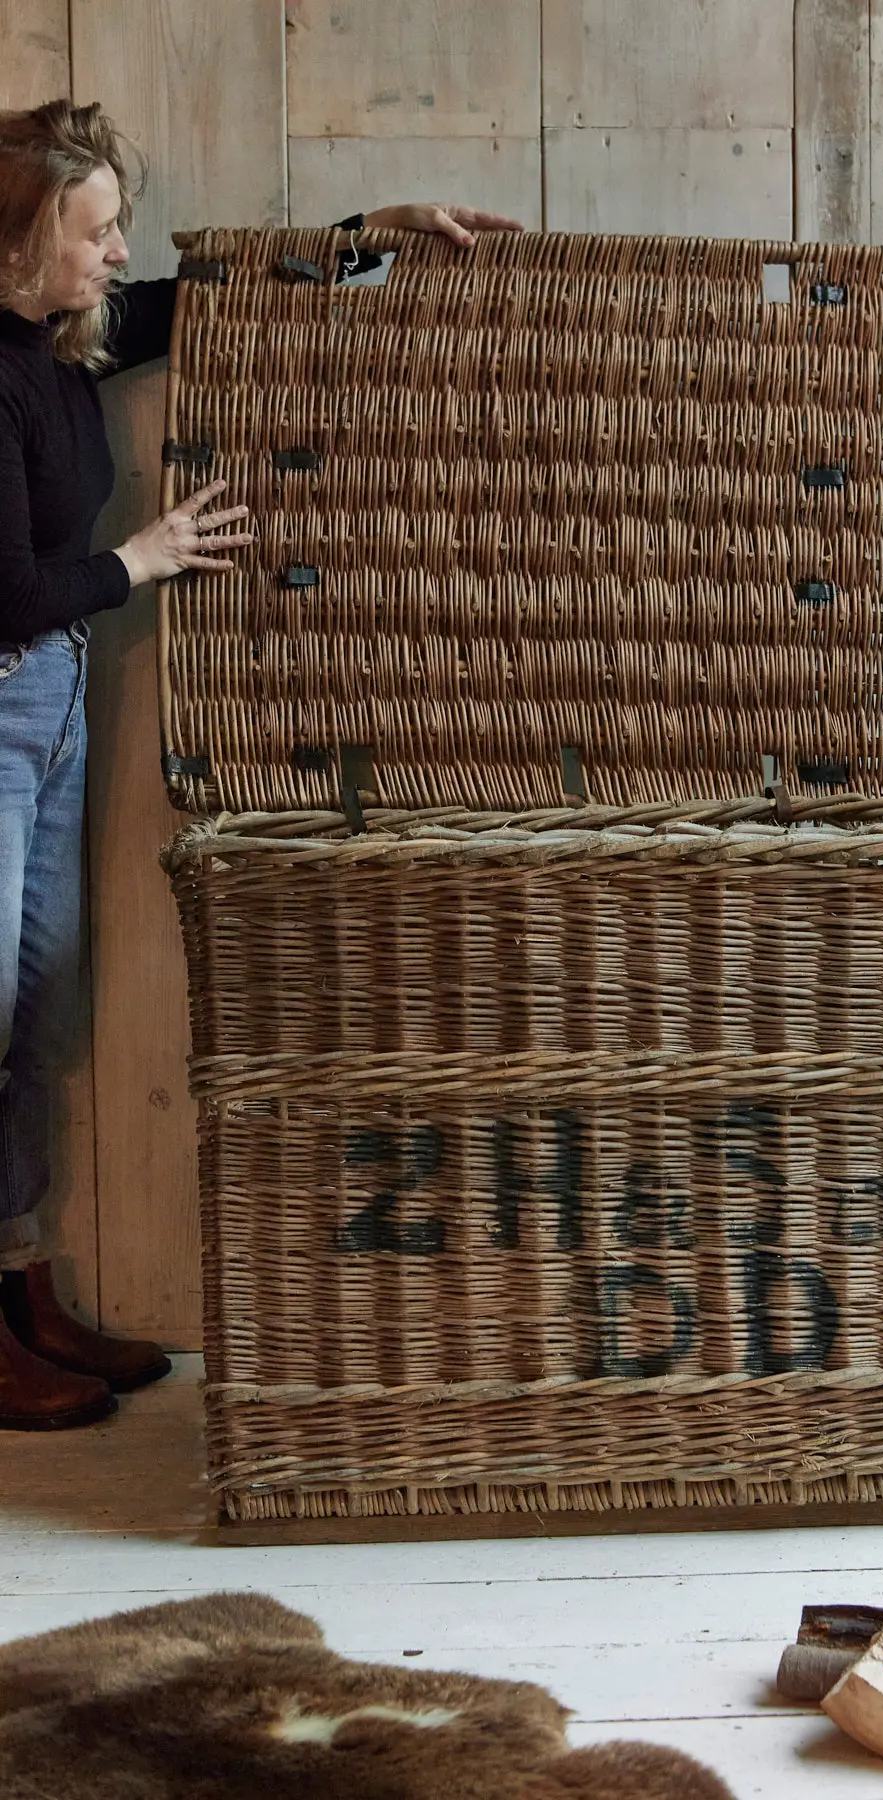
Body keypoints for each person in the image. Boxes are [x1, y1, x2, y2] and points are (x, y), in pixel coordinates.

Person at [0, 98, 521, 1430]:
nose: (119, 254)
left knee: (35, 1006)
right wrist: (142, 560)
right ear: (13, 247)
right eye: (95, 231)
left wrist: (372, 237)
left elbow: (196, 302)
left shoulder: (59, 344)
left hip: (46, 693)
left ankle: (19, 1285)